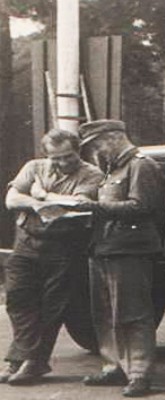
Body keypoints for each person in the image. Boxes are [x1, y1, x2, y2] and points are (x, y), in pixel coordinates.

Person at [1, 129, 103, 385]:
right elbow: (12, 200)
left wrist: (42, 195)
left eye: (68, 156)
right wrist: (36, 204)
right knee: (17, 299)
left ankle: (29, 362)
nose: (62, 163)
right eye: (55, 158)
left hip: (64, 247)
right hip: (26, 242)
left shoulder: (92, 174)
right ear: (46, 155)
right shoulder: (34, 167)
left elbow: (78, 205)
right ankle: (24, 358)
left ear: (78, 151)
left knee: (51, 307)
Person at [74, 119, 164, 398]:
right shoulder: (113, 167)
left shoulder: (141, 165)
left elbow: (142, 205)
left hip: (130, 249)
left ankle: (139, 374)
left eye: (98, 144)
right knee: (105, 313)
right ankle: (114, 365)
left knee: (133, 313)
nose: (96, 152)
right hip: (104, 247)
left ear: (114, 138)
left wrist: (97, 206)